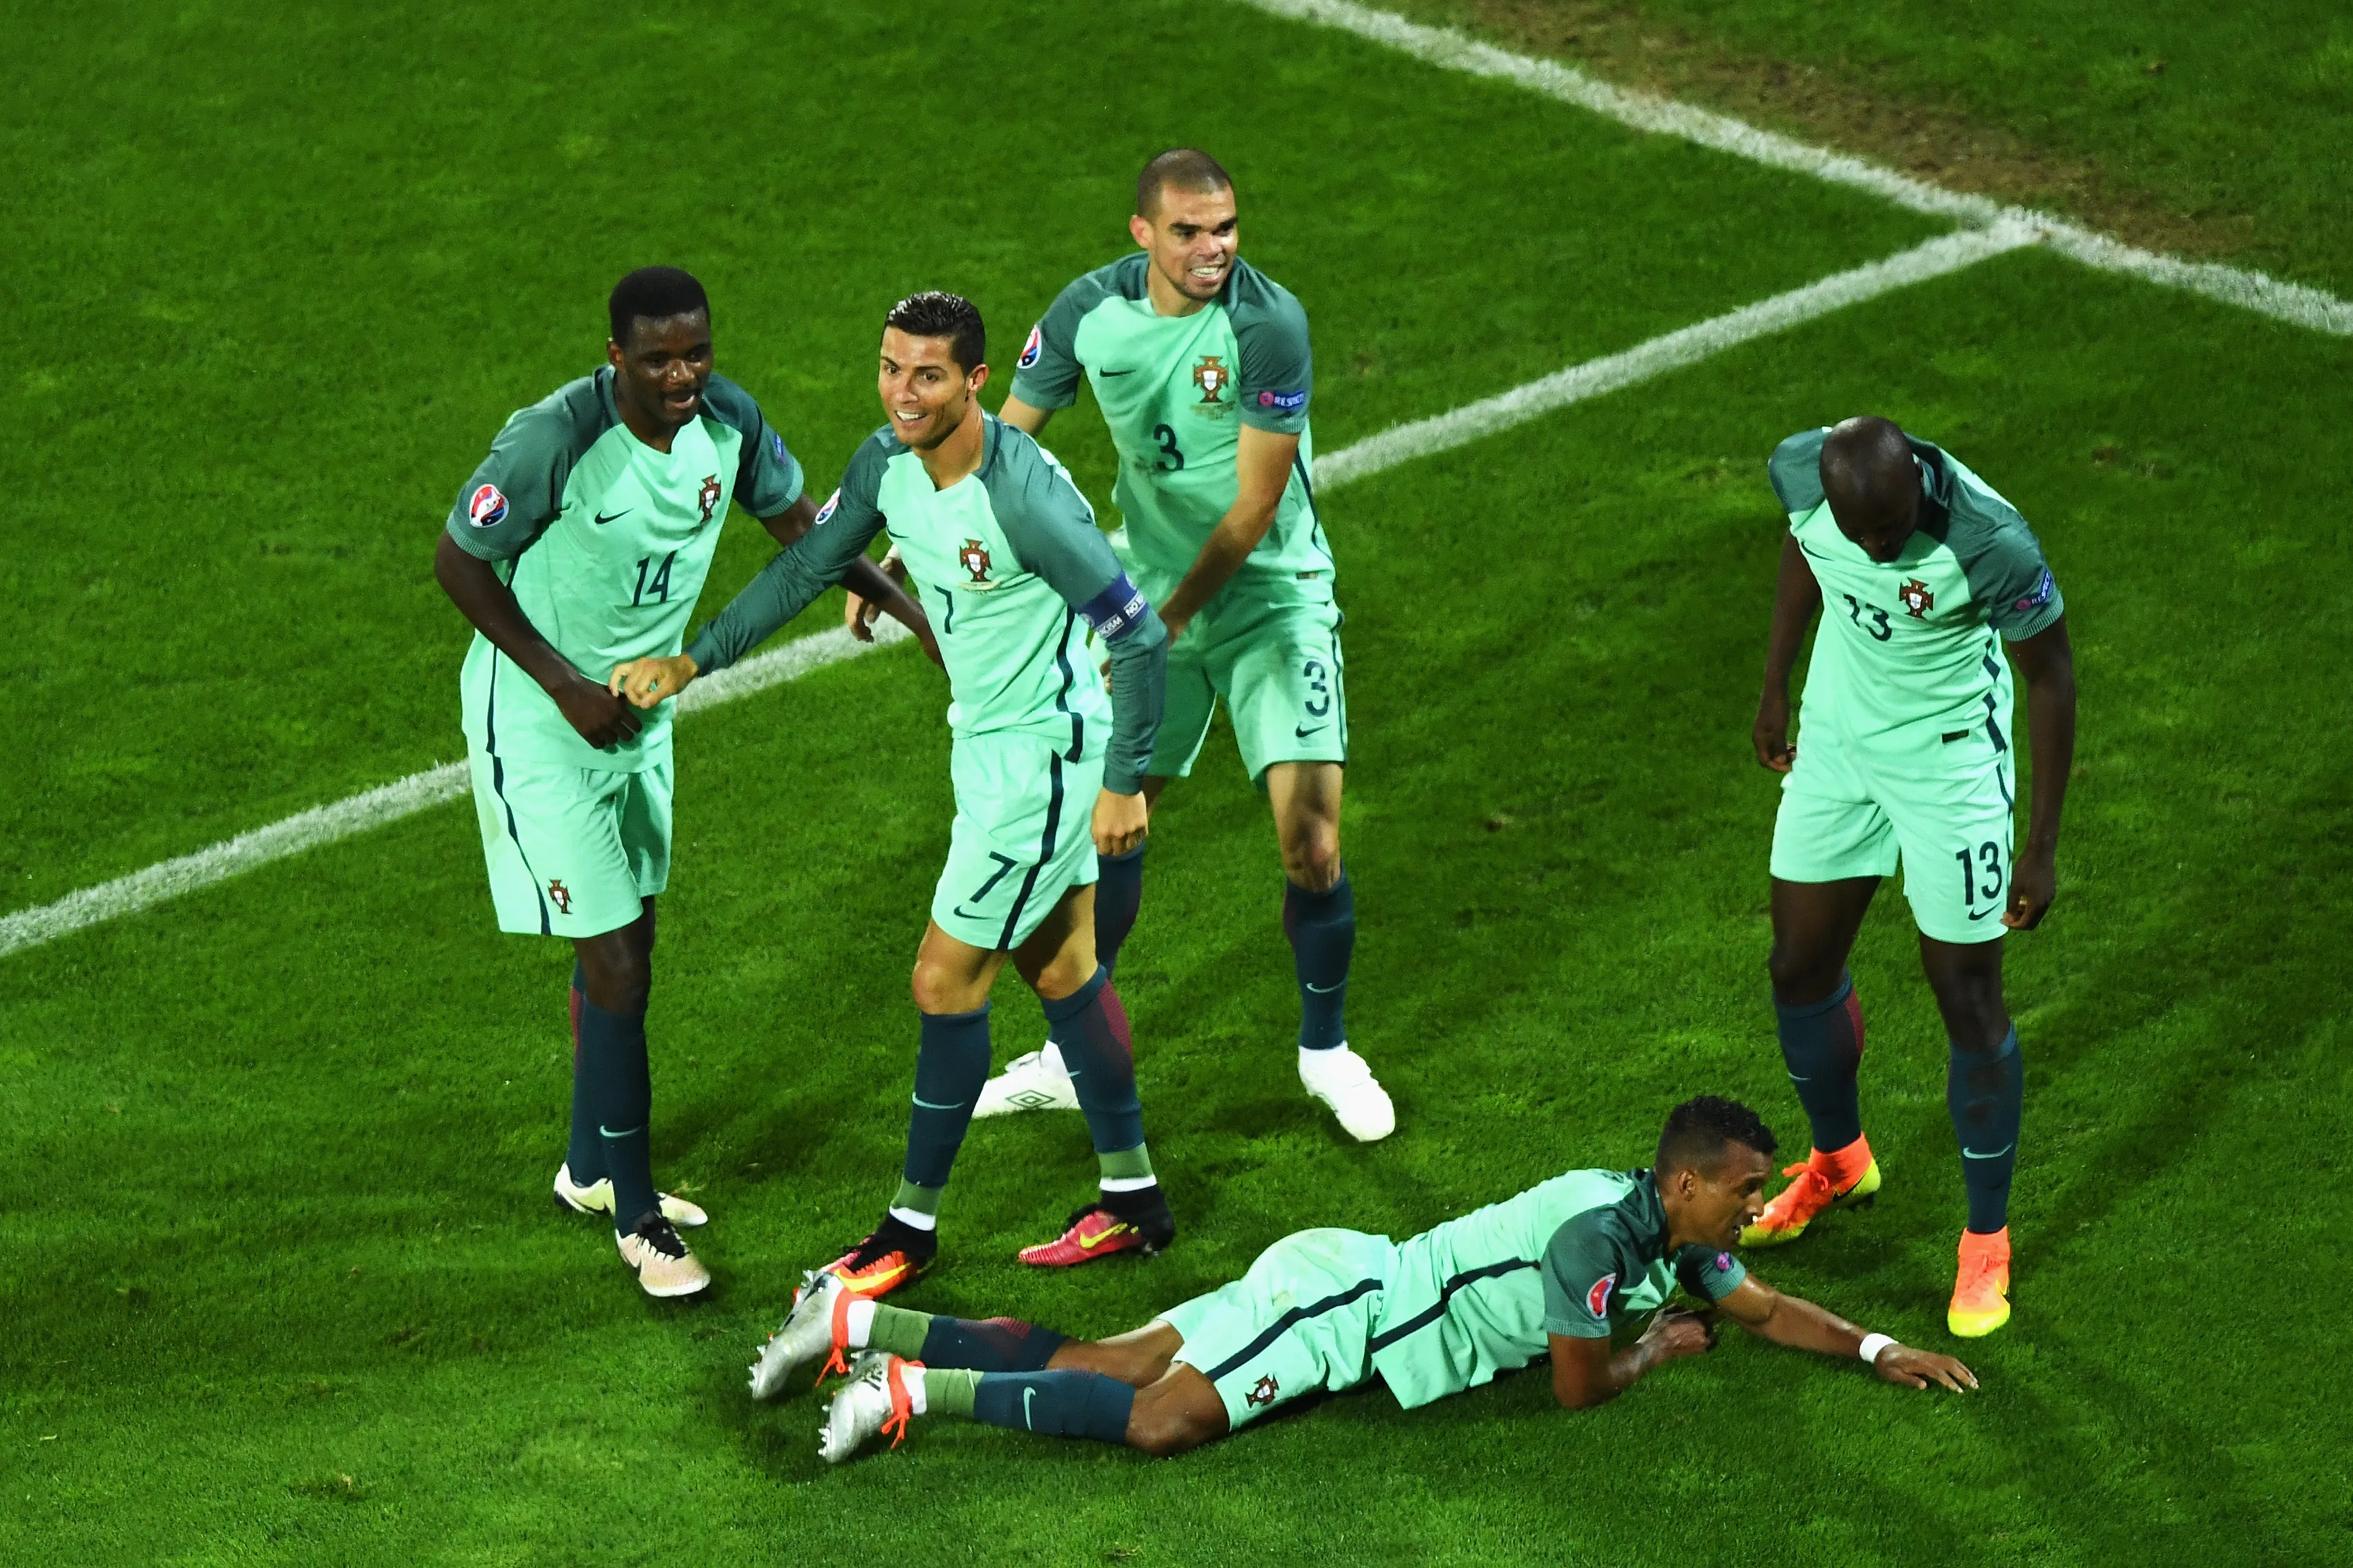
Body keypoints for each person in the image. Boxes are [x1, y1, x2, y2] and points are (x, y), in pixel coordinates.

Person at [613, 291, 1174, 1298]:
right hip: (990, 748)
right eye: (888, 367)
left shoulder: (1023, 499)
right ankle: (1134, 1201)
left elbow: (1137, 633)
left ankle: (906, 1231)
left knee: (941, 980)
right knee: (1062, 972)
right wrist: (695, 661)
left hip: (1043, 760)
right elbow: (807, 565)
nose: (902, 392)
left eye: (926, 375)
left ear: (976, 382)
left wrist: (1123, 784)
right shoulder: (886, 463)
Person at [856, 149, 1391, 1140]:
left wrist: (1164, 622)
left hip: (1273, 599)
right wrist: (895, 546)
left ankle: (1325, 1050)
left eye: (1225, 227)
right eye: (1189, 231)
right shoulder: (1084, 314)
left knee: (1311, 842)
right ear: (1142, 233)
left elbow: (1256, 503)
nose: (1213, 248)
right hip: (1149, 597)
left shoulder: (1266, 325)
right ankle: (1069, 1051)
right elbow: (992, 435)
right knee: (1112, 821)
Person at [433, 266, 930, 1297]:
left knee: (637, 939)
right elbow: (460, 562)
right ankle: (641, 1216)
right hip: (542, 719)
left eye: (695, 351)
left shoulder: (727, 422)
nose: (682, 374)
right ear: (613, 352)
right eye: (658, 357)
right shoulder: (554, 440)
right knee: (613, 958)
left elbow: (809, 530)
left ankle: (588, 1168)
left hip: (643, 713)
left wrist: (918, 615)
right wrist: (564, 683)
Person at [746, 1095, 1975, 1461]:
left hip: (1341, 1273)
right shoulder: (1596, 1244)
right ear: (1686, 1180)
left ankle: (857, 1316)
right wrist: (1653, 1351)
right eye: (1747, 1186)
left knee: (1109, 1364)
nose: (1757, 1205)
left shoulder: (1671, 1234)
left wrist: (1877, 1345)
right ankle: (905, 1389)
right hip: (1351, 1309)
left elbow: (1764, 1307)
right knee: (1160, 1419)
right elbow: (1575, 1386)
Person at [1745, 416, 2076, 1338]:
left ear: (1916, 493)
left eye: (1891, 532)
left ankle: (1984, 1238)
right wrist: (1774, 680)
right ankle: (1839, 1159)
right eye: (1864, 535)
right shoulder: (1805, 482)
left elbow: (2048, 677)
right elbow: (1807, 550)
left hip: (1950, 765)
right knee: (1796, 966)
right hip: (1841, 737)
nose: (1878, 550)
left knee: (1966, 996)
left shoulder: (1987, 541)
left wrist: (2039, 843)